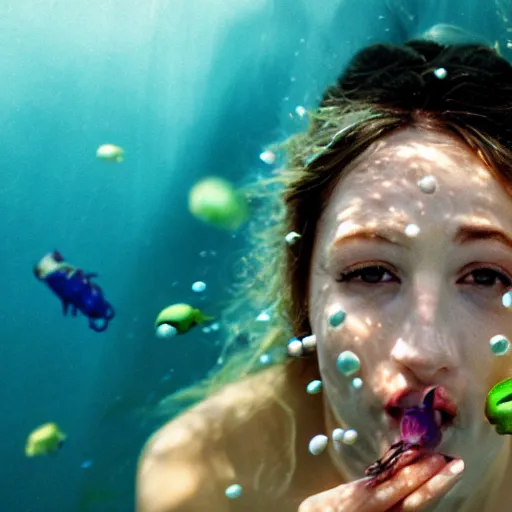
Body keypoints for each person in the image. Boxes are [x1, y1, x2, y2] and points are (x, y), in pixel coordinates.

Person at [136, 39, 512, 511]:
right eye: (372, 273)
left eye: (487, 278)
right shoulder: (201, 470)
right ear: (303, 291)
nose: (424, 350)